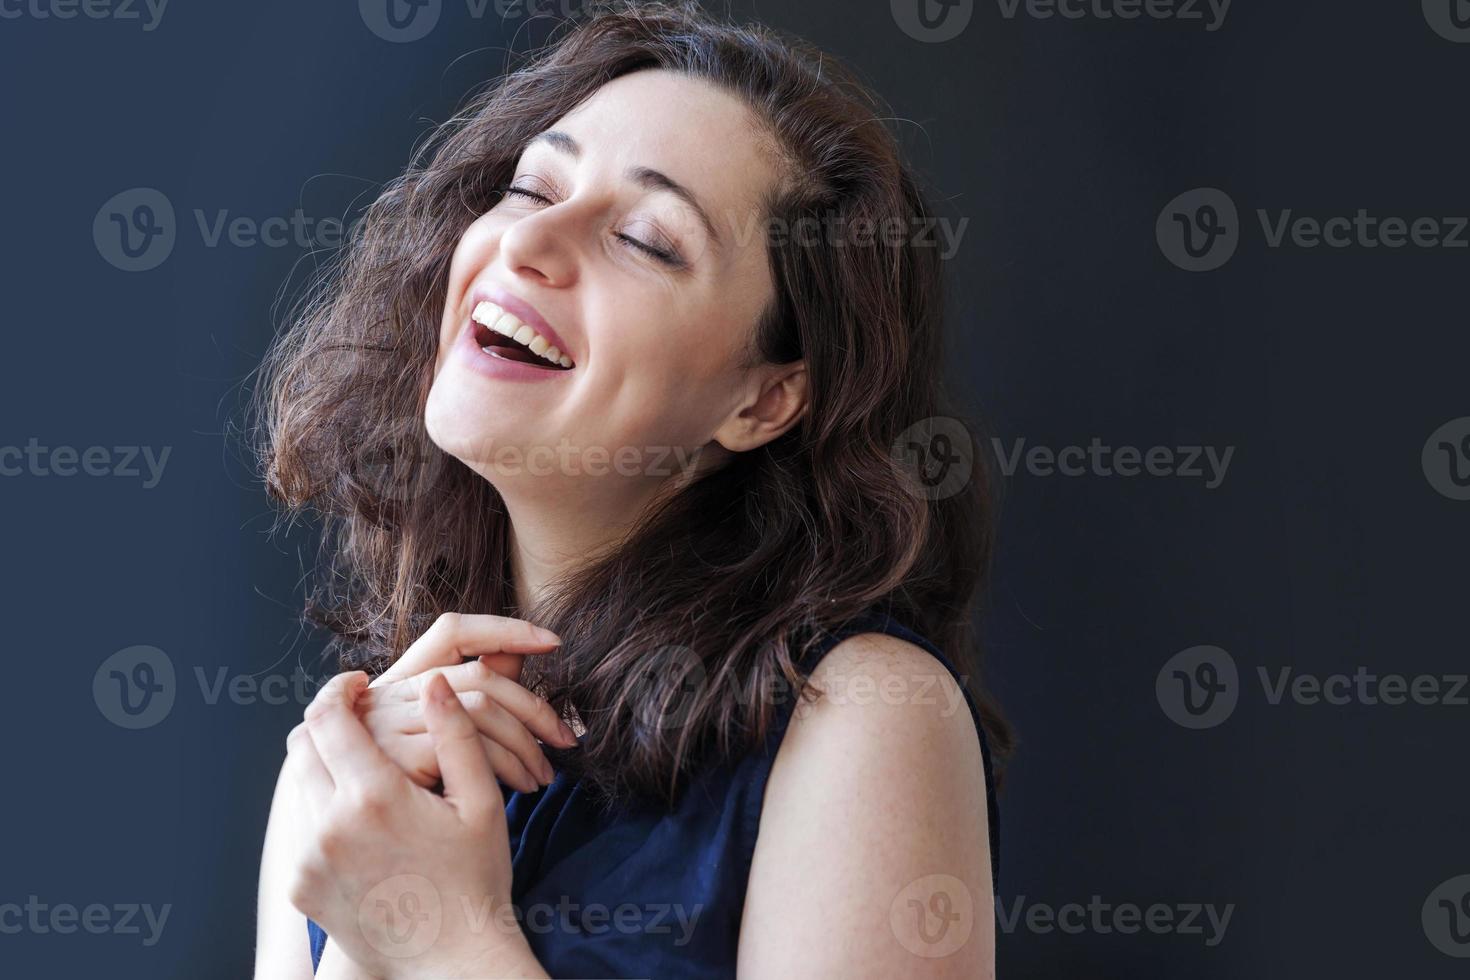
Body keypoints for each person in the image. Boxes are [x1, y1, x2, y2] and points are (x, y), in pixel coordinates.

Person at [251, 2, 1011, 976]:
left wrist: (437, 938)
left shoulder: (865, 712)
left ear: (764, 396)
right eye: (532, 187)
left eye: (645, 239)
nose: (530, 244)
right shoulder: (342, 769)